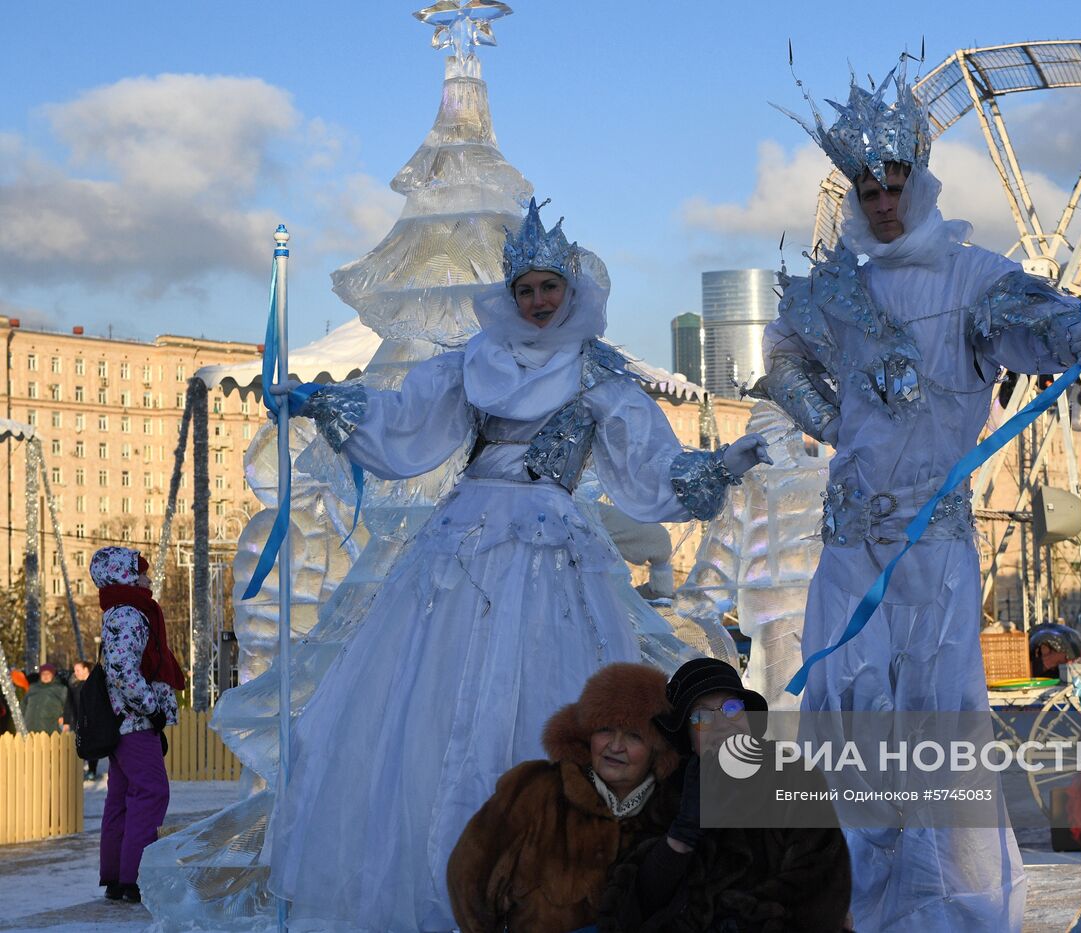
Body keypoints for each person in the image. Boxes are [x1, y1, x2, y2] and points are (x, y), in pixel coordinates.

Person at [266, 199, 770, 932]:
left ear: (571, 291)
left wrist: (724, 462)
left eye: (548, 288)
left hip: (555, 548)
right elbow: (405, 418)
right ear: (510, 295)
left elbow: (654, 466)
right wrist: (320, 401)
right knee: (435, 703)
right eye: (525, 290)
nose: (536, 302)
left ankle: (560, 877)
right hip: (464, 544)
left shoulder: (598, 373)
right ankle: (450, 880)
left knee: (546, 690)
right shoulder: (474, 362)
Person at [763, 62, 1081, 930]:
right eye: (865, 188)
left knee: (939, 737)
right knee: (848, 733)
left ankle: (950, 915)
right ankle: (861, 909)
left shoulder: (972, 276)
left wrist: (1079, 331)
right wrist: (842, 422)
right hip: (851, 550)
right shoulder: (835, 290)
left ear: (917, 181)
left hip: (934, 550)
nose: (881, 202)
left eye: (893, 184)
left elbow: (1035, 327)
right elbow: (783, 357)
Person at [601, 657, 852, 932]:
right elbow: (628, 910)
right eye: (702, 718)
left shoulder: (794, 778)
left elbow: (821, 886)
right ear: (689, 740)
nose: (722, 724)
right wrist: (680, 837)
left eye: (731, 708)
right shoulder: (665, 795)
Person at [446, 662, 679, 932]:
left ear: (657, 749)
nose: (615, 746)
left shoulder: (672, 812)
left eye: (634, 736)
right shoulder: (537, 790)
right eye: (604, 730)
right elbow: (469, 878)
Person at [90, 545, 184, 904]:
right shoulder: (130, 614)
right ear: (124, 576)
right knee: (151, 792)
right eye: (141, 572)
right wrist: (152, 709)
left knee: (122, 798)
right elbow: (123, 670)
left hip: (122, 723)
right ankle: (136, 877)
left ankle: (117, 875)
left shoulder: (119, 612)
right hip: (133, 722)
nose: (147, 577)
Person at [62, 660, 100, 779]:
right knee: (79, 746)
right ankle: (79, 769)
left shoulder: (95, 684)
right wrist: (66, 722)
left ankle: (92, 770)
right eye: (75, 670)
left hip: (93, 721)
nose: (75, 673)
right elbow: (68, 704)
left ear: (85, 670)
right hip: (78, 722)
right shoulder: (74, 686)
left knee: (92, 747)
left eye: (78, 670)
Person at [20, 663, 67, 734]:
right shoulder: (33, 687)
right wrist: (22, 718)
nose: (45, 676)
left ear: (53, 675)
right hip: (30, 726)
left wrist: (64, 717)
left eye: (48, 674)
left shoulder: (61, 689)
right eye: (43, 674)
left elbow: (68, 705)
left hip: (49, 727)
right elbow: (23, 704)